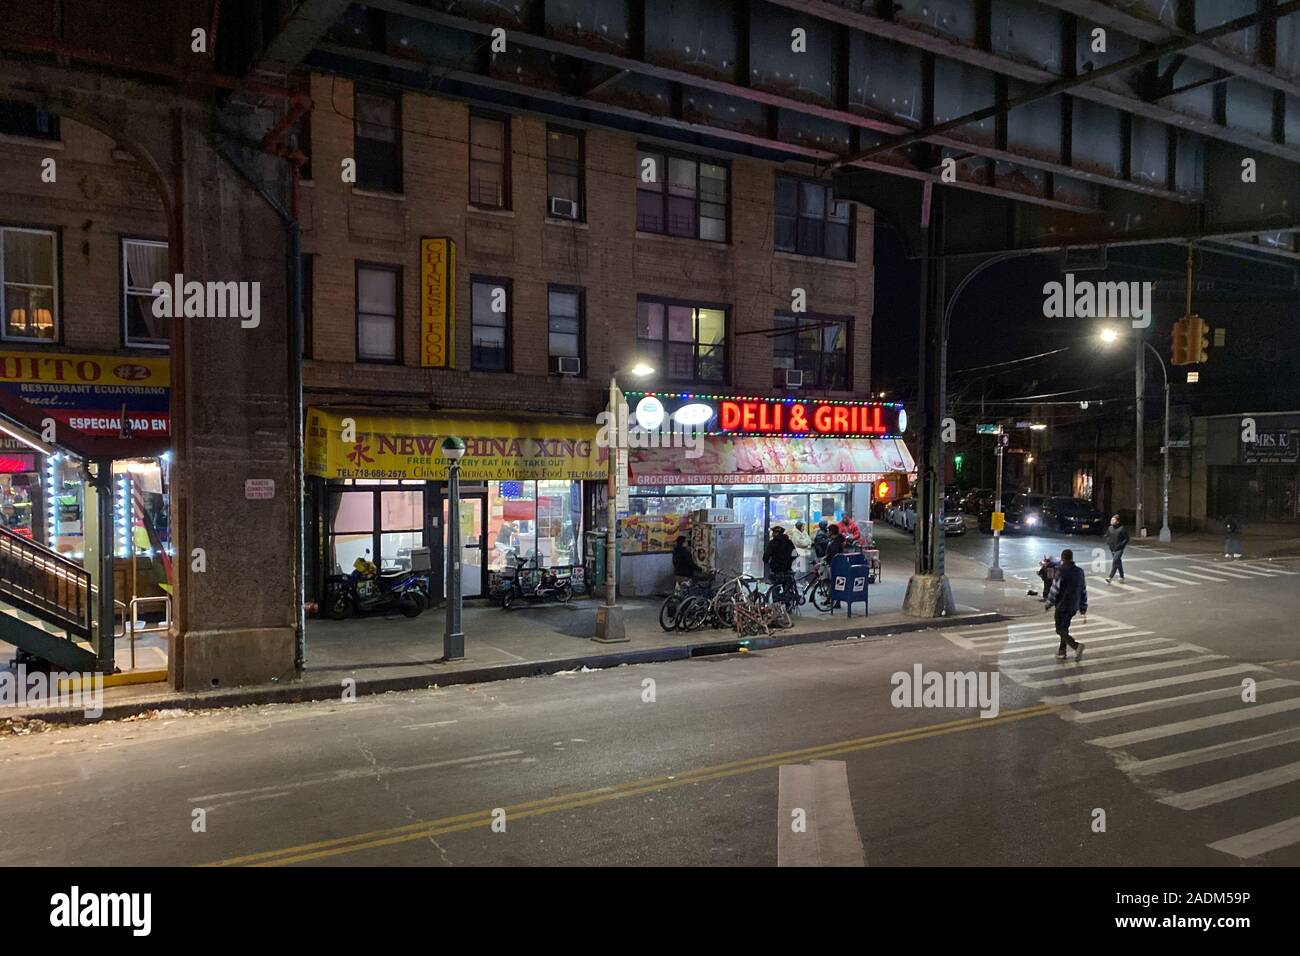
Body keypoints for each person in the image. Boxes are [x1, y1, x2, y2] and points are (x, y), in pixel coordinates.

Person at [1045, 548, 1087, 661]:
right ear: (1071, 558)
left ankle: (1076, 646)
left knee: (1060, 630)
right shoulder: (1079, 571)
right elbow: (1083, 590)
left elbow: (1054, 589)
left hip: (1062, 605)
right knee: (1065, 629)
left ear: (1063, 558)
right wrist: (1083, 607)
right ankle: (1062, 651)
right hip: (1073, 606)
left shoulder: (1060, 571)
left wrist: (1048, 603)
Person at [1104, 514, 1129, 583]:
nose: (1111, 521)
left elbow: (1127, 538)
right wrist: (1108, 543)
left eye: (1113, 520)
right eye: (1111, 519)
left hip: (1119, 549)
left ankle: (1110, 577)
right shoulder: (1110, 528)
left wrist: (1121, 545)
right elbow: (1107, 536)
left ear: (1117, 521)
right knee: (1118, 562)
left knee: (1115, 561)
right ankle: (1122, 576)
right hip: (1112, 548)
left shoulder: (1122, 528)